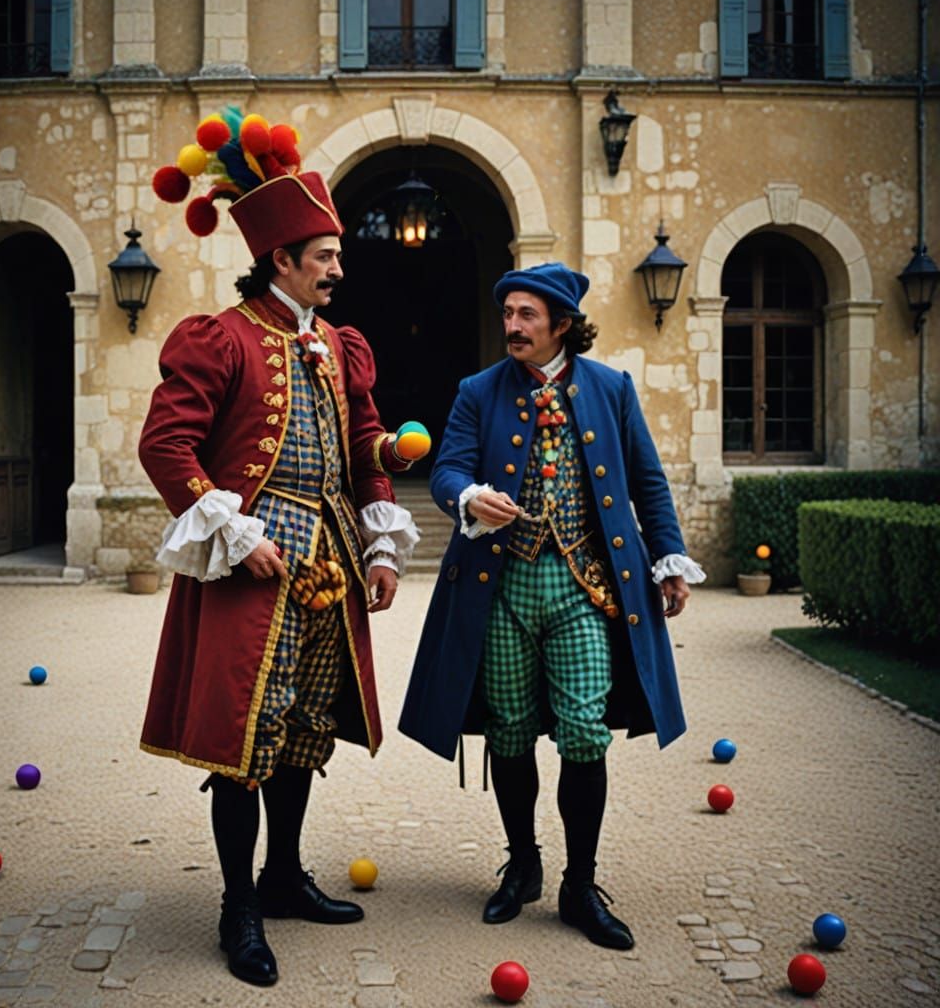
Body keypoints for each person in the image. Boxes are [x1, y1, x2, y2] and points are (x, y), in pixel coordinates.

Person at [139, 119, 421, 987]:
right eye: (326, 255)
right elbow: (165, 447)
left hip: (331, 552)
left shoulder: (341, 346)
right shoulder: (218, 337)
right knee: (244, 740)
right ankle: (239, 907)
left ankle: (285, 876)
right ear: (283, 260)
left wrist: (382, 525)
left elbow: (363, 440)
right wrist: (234, 533)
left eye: (337, 255)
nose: (339, 268)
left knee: (303, 731)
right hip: (252, 561)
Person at [399, 262, 704, 950]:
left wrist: (669, 560)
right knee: (508, 729)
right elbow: (445, 469)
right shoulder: (477, 390)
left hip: (585, 590)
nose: (511, 326)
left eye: (526, 315)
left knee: (583, 731)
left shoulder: (611, 388)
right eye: (507, 313)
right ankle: (523, 863)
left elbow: (648, 483)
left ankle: (580, 883)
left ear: (561, 324)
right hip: (500, 590)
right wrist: (468, 497)